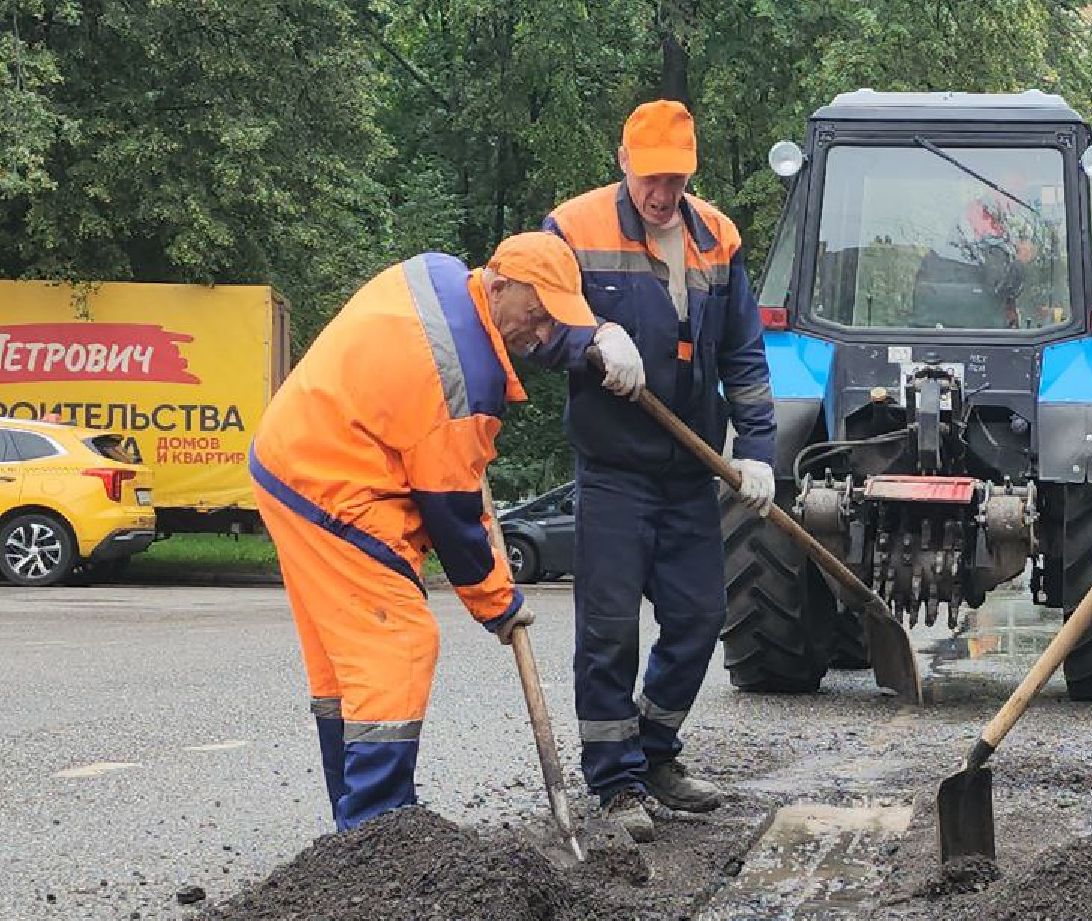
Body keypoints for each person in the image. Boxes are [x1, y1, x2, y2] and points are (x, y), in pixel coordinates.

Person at [250, 232, 595, 831]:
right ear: (500, 284)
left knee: (345, 669)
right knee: (398, 644)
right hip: (336, 485)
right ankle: (378, 829)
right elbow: (453, 514)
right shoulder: (462, 379)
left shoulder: (440, 279)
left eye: (551, 323)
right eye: (537, 314)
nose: (540, 334)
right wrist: (499, 605)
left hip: (295, 457)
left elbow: (452, 470)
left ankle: (354, 837)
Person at [536, 99, 776, 843]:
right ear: (622, 163)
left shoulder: (718, 237)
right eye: (650, 179)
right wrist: (592, 340)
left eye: (675, 179)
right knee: (609, 629)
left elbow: (742, 352)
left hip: (688, 469)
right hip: (613, 469)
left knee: (700, 616)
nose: (662, 194)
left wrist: (759, 449)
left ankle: (655, 753)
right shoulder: (570, 229)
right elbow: (533, 325)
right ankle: (613, 784)